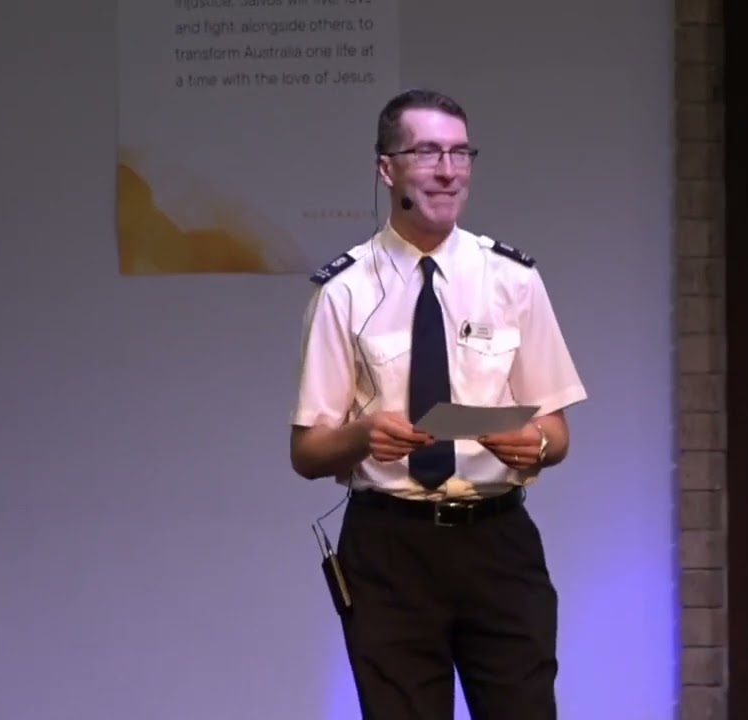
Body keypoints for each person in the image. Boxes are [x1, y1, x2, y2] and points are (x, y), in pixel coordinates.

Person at [288, 88, 587, 719]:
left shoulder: (513, 279)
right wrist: (361, 436)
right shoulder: (344, 290)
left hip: (498, 540)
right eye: (427, 153)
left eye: (460, 153)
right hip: (389, 546)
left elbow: (556, 434)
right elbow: (308, 452)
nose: (448, 171)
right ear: (386, 168)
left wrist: (534, 444)